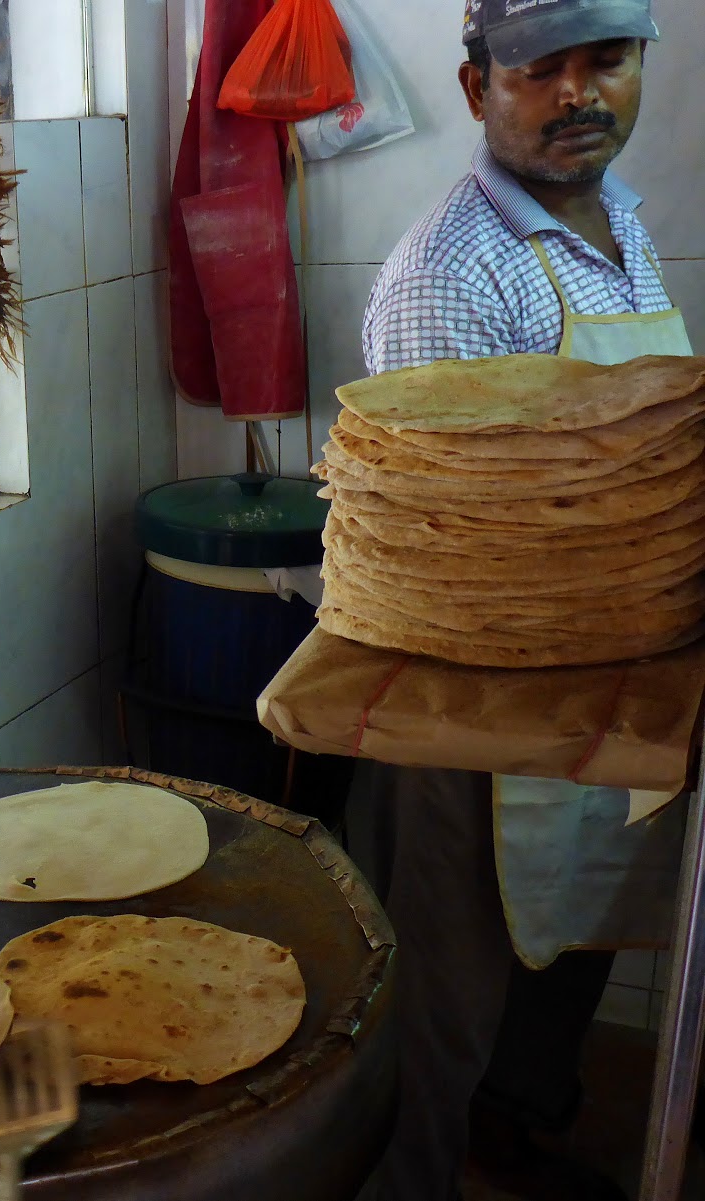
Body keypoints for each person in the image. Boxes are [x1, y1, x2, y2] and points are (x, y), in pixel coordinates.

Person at [350, 2, 687, 1200]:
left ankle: (516, 1140)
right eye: (538, 68)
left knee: (567, 947)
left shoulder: (616, 224)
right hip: (471, 718)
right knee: (438, 1007)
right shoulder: (455, 274)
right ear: (475, 84)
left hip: (594, 695)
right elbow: (463, 560)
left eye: (606, 60)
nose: (576, 93)